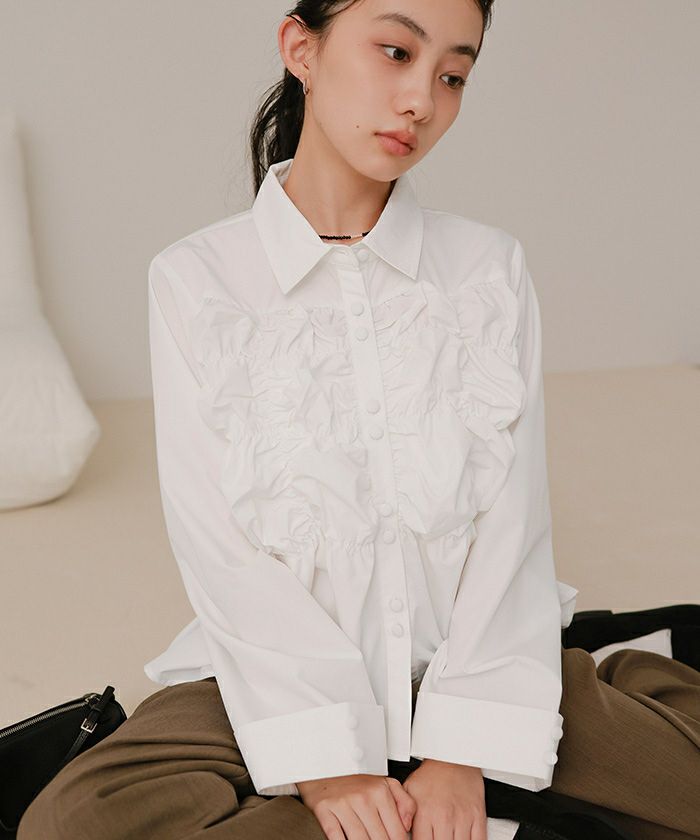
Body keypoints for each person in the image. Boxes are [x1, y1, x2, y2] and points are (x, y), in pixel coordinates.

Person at [17, 1, 700, 839]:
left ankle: (572, 719)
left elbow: (514, 530)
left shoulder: (487, 269)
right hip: (273, 688)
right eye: (395, 52)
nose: (421, 100)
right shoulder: (197, 280)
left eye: (453, 75)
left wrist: (462, 750)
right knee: (75, 821)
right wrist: (328, 763)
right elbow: (219, 547)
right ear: (301, 48)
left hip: (472, 666)